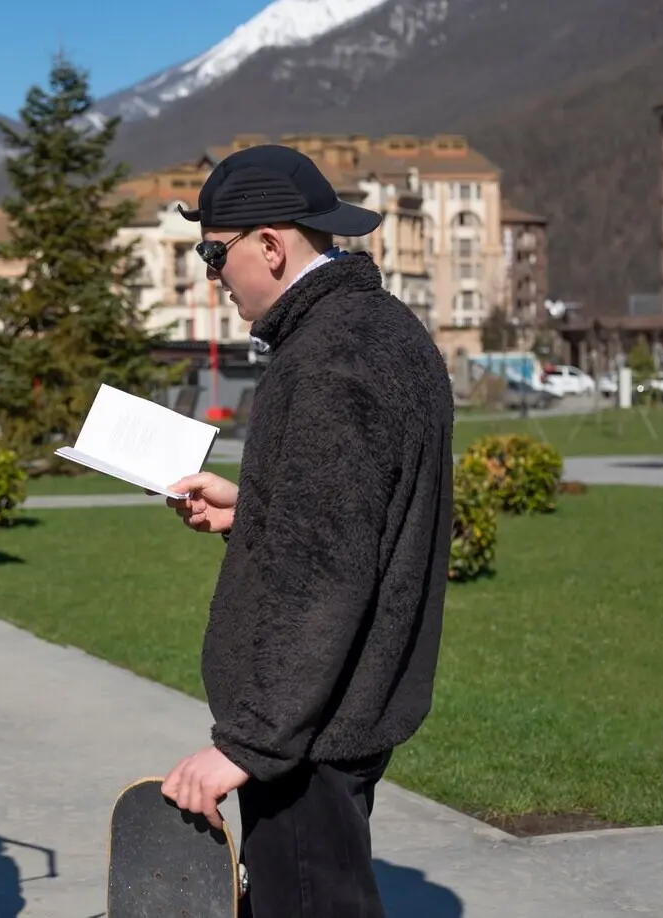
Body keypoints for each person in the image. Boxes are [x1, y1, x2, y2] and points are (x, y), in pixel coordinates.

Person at [157, 144, 454, 916]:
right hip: (330, 713)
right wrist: (250, 507)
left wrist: (246, 746)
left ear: (270, 244)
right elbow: (350, 517)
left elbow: (322, 574)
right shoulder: (373, 328)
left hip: (309, 732)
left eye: (211, 252)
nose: (210, 274)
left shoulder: (330, 357)